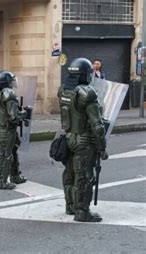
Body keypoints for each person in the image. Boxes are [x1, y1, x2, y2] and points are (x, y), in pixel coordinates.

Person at [58, 58, 108, 222]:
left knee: (70, 173)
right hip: (85, 141)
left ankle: (70, 206)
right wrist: (102, 147)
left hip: (69, 137)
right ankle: (82, 211)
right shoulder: (87, 93)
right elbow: (98, 126)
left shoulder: (64, 90)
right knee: (85, 176)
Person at [0, 71, 28, 190]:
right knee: (6, 155)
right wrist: (23, 114)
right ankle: (1, 180)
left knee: (11, 152)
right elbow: (13, 116)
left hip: (1, 127)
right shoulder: (8, 93)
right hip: (7, 129)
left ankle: (15, 175)